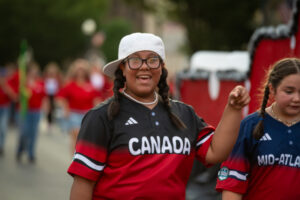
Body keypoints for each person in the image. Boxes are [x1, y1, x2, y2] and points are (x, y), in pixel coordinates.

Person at [67, 32, 250, 200]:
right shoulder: (101, 117)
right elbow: (83, 183)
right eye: (135, 60)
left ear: (161, 67)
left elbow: (215, 152)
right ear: (122, 68)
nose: (144, 67)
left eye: (153, 60)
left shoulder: (184, 114)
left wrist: (233, 109)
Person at [216, 57, 300, 199]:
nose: (297, 98)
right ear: (272, 89)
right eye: (289, 91)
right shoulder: (250, 126)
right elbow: (232, 186)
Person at [55, 58, 101, 155]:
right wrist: (65, 107)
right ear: (75, 71)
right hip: (74, 114)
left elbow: (97, 99)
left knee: (85, 139)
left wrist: (98, 111)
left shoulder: (91, 85)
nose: (80, 72)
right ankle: (75, 158)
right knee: (76, 137)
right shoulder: (70, 84)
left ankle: (83, 157)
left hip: (87, 115)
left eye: (83, 70)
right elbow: (59, 98)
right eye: (78, 70)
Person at [16, 61, 47, 163]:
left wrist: (46, 109)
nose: (34, 73)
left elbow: (44, 97)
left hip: (36, 111)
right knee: (24, 132)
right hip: (25, 111)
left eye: (36, 72)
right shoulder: (23, 82)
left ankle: (31, 153)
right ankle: (20, 149)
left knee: (33, 133)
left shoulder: (41, 83)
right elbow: (18, 95)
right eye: (32, 72)